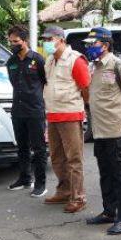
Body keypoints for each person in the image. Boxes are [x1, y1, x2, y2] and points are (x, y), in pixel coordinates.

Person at [83, 27, 121, 234]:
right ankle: (109, 212)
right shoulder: (94, 66)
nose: (89, 47)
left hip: (116, 130)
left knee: (120, 177)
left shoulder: (118, 65)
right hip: (99, 131)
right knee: (105, 174)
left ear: (105, 45)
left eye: (93, 44)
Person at [41, 25, 91, 213]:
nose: (46, 43)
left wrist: (81, 105)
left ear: (61, 40)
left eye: (49, 39)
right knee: (56, 157)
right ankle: (64, 190)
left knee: (74, 158)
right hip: (53, 114)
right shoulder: (49, 61)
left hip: (70, 114)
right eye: (44, 40)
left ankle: (78, 197)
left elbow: (86, 87)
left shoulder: (75, 60)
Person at [5, 25, 48, 198]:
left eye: (16, 41)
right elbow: (13, 83)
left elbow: (46, 81)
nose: (13, 44)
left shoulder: (37, 60)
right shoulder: (11, 61)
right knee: (22, 147)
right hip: (18, 110)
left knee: (38, 149)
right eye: (10, 42)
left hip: (35, 110)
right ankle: (24, 179)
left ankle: (40, 184)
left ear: (25, 41)